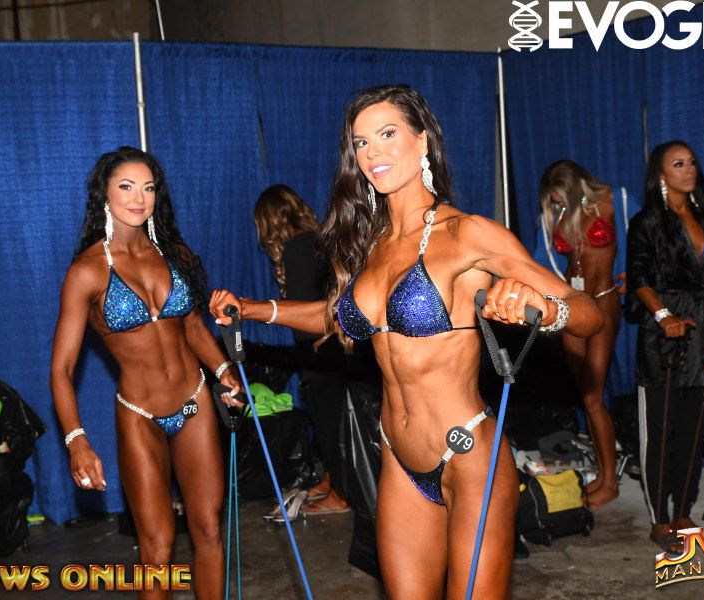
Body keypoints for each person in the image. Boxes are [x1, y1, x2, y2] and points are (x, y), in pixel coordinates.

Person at [211, 85, 602, 599]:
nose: (373, 152)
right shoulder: (369, 244)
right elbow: (339, 317)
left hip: (468, 456)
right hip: (398, 457)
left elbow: (588, 314)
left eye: (387, 134)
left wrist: (548, 310)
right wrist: (256, 308)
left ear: (423, 142)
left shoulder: (466, 234)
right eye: (361, 142)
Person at [50, 147, 242, 599]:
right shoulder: (86, 272)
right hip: (140, 414)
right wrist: (76, 440)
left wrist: (223, 371)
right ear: (105, 194)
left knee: (209, 530)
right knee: (156, 549)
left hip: (195, 402)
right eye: (126, 186)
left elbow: (192, 327)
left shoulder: (176, 254)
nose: (139, 198)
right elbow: (62, 368)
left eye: (148, 188)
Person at [627, 141, 704, 551]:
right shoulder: (647, 222)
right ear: (661, 174)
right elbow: (638, 276)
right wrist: (662, 315)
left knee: (693, 431)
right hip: (663, 340)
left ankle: (684, 515)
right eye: (678, 164)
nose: (689, 169)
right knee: (659, 433)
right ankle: (659, 521)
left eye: (692, 162)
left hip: (703, 332)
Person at [537, 161, 639, 508]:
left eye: (560, 198)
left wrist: (634, 271)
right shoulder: (557, 214)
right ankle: (603, 474)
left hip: (605, 301)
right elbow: (541, 260)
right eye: (553, 201)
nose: (557, 205)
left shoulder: (614, 199)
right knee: (587, 396)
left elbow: (644, 236)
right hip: (572, 305)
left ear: (576, 186)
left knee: (593, 397)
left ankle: (610, 482)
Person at [253, 184, 351, 515]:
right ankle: (331, 479)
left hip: (320, 353)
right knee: (330, 423)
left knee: (328, 423)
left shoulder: (296, 248)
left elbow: (304, 314)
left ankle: (341, 493)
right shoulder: (318, 241)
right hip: (336, 350)